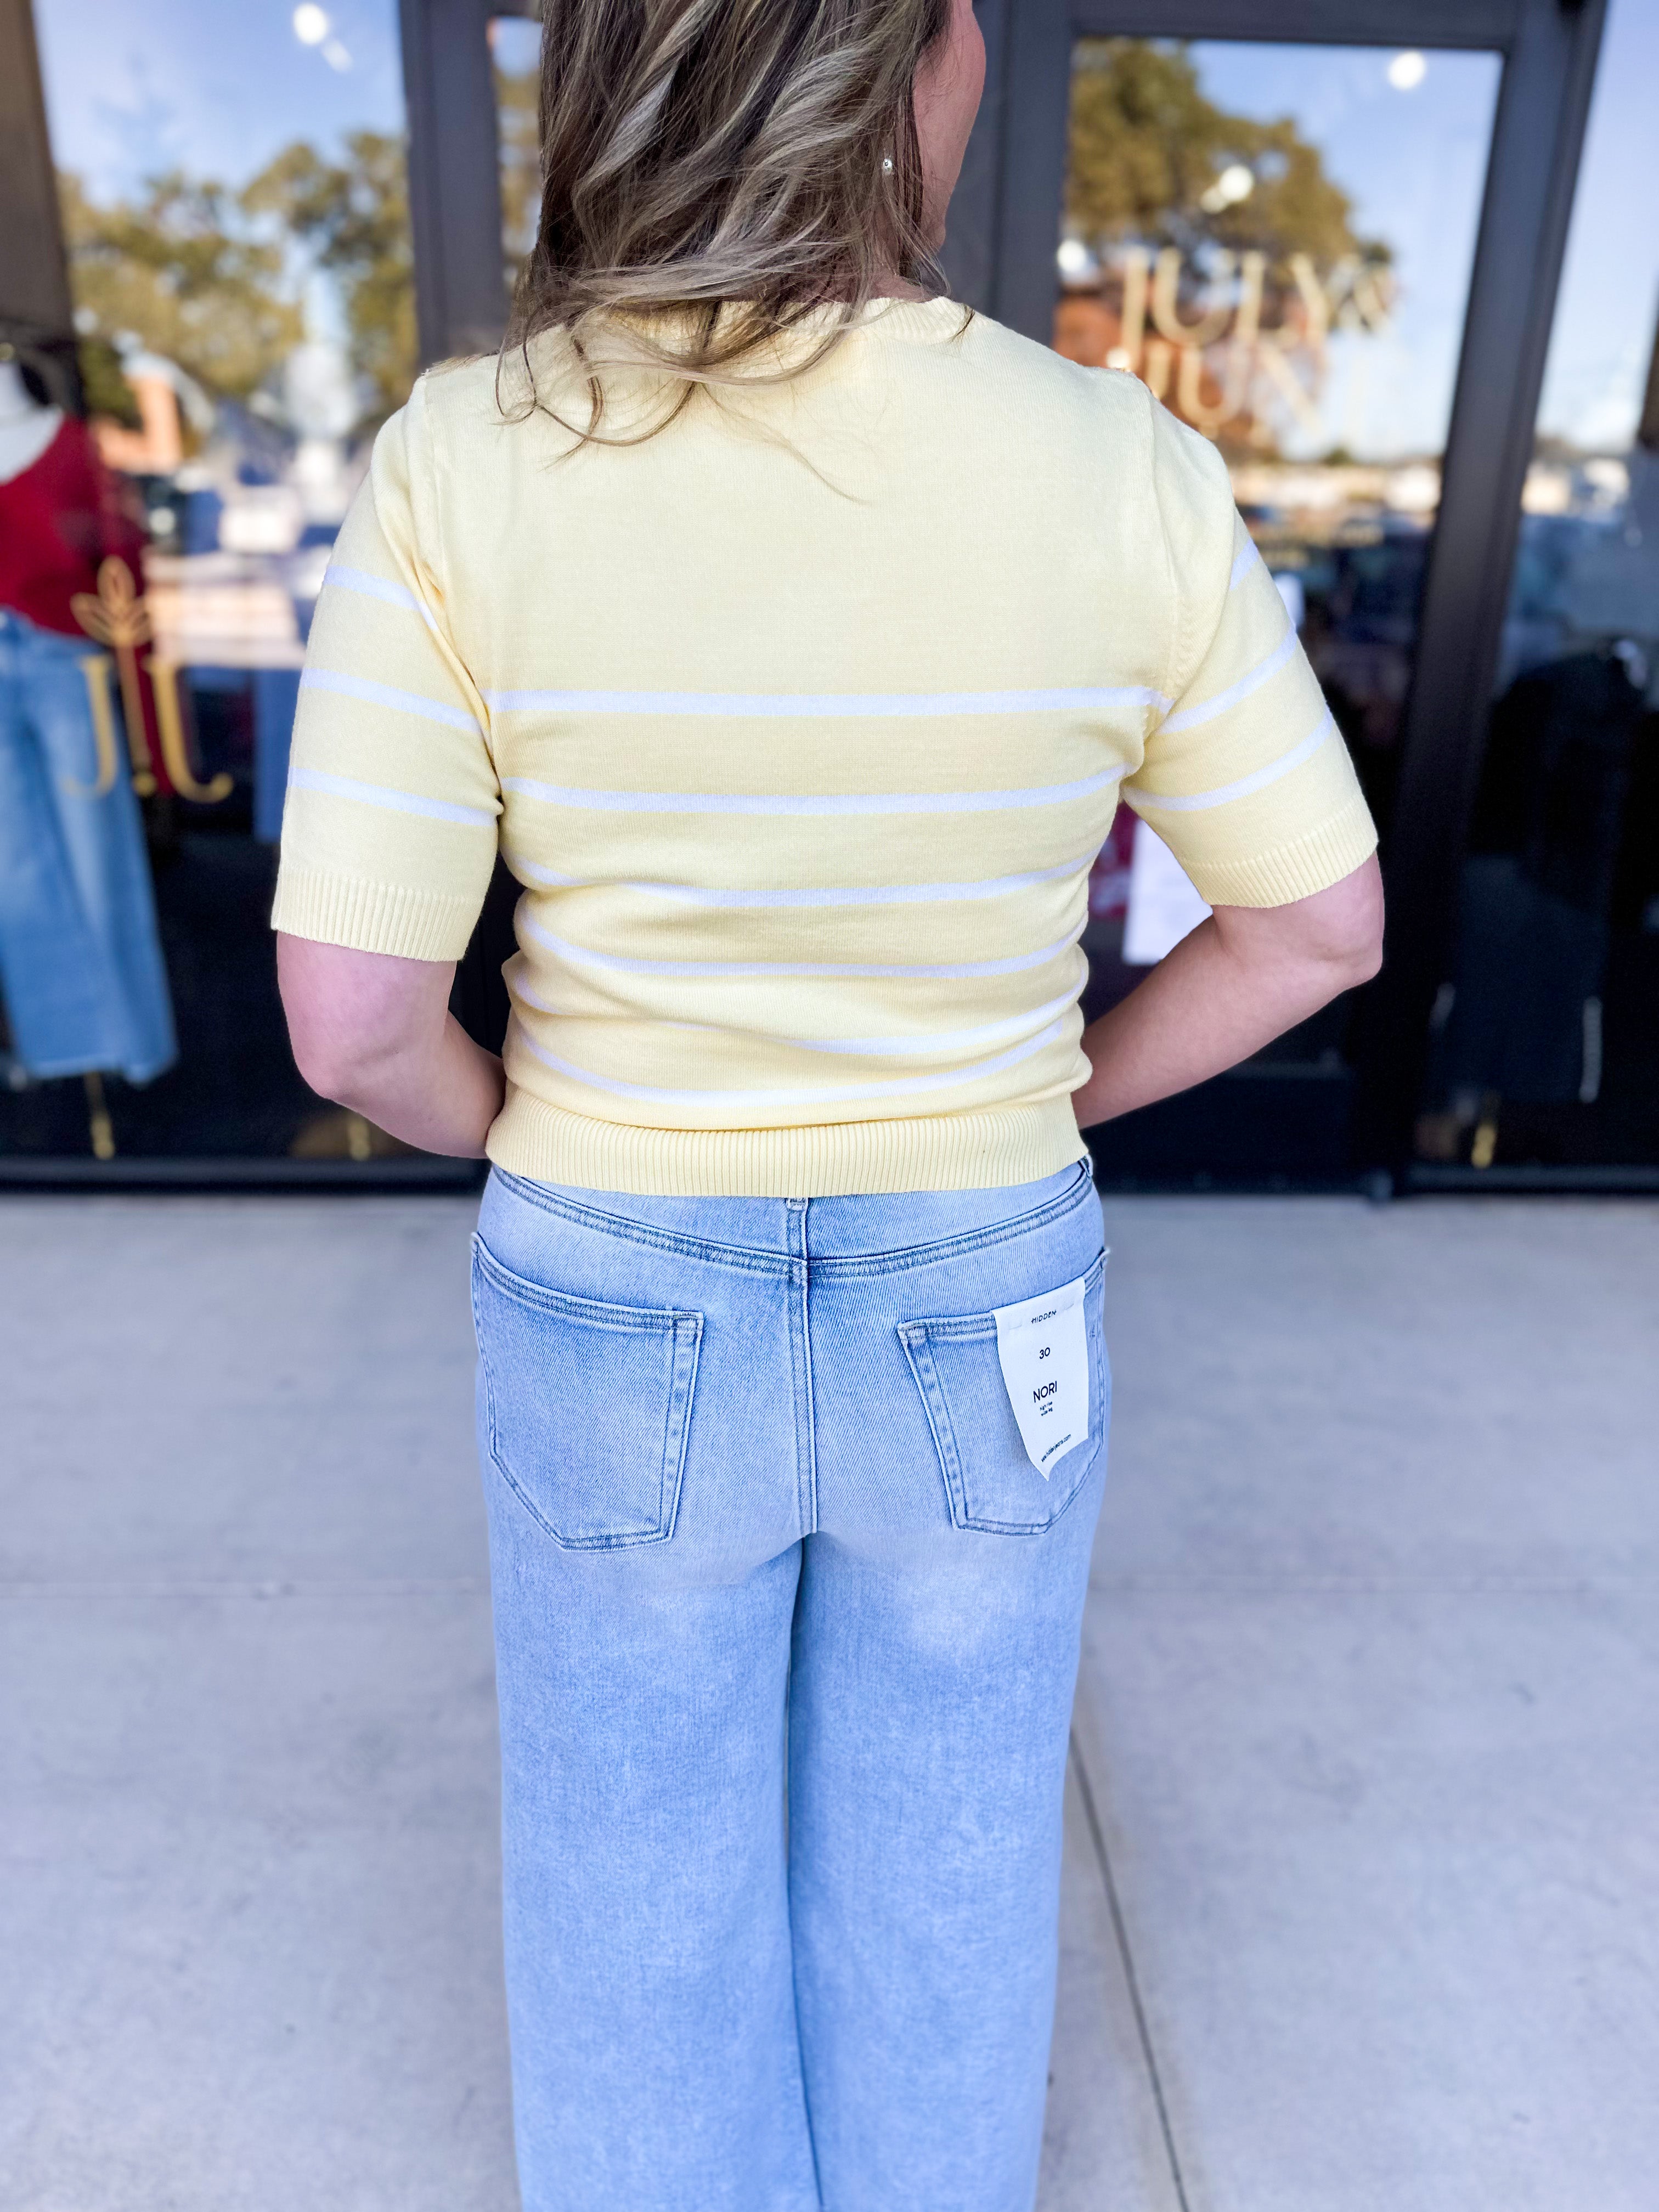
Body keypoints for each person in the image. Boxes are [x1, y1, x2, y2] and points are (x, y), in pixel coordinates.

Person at [274, 2, 1383, 2204]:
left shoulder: (469, 458)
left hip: (611, 1251)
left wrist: (532, 1121)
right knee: (951, 1855)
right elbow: (1321, 928)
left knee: (628, 1876)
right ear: (922, 68)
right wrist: (1043, 1089)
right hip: (983, 1264)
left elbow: (352, 1025)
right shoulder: (1121, 462)